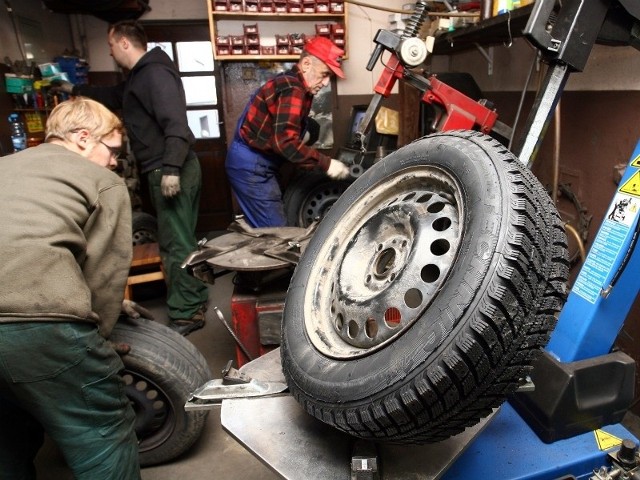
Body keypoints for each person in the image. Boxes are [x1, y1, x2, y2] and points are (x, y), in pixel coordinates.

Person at [0, 97, 140, 479]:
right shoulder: (102, 182)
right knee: (102, 432)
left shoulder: (5, 166)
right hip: (38, 323)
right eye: (112, 149)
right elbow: (105, 276)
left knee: (6, 433)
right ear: (82, 138)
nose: (114, 161)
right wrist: (99, 336)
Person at [53, 20, 209, 335]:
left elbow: (176, 123)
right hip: (165, 166)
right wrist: (74, 90)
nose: (110, 51)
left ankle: (187, 312)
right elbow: (113, 94)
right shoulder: (139, 76)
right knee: (179, 240)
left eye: (111, 45)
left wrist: (171, 168)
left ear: (125, 43)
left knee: (176, 243)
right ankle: (194, 298)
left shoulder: (154, 73)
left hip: (170, 169)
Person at [226, 36, 351, 228]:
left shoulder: (292, 84)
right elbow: (284, 142)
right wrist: (326, 163)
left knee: (264, 229)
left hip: (252, 160)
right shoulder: (293, 88)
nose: (326, 83)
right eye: (324, 74)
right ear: (306, 64)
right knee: (277, 235)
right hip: (251, 166)